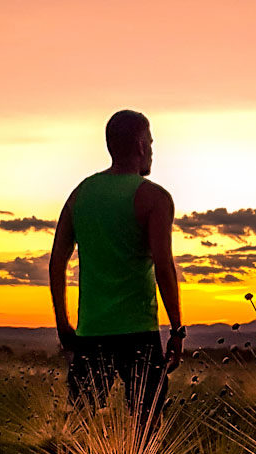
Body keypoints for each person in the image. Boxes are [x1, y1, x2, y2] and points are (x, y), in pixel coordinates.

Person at [49, 109, 184, 418]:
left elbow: (57, 263)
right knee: (146, 433)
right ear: (139, 145)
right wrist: (177, 328)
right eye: (150, 142)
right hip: (139, 335)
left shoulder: (80, 194)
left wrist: (62, 325)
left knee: (80, 431)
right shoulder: (154, 198)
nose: (152, 150)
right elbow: (164, 268)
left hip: (90, 335)